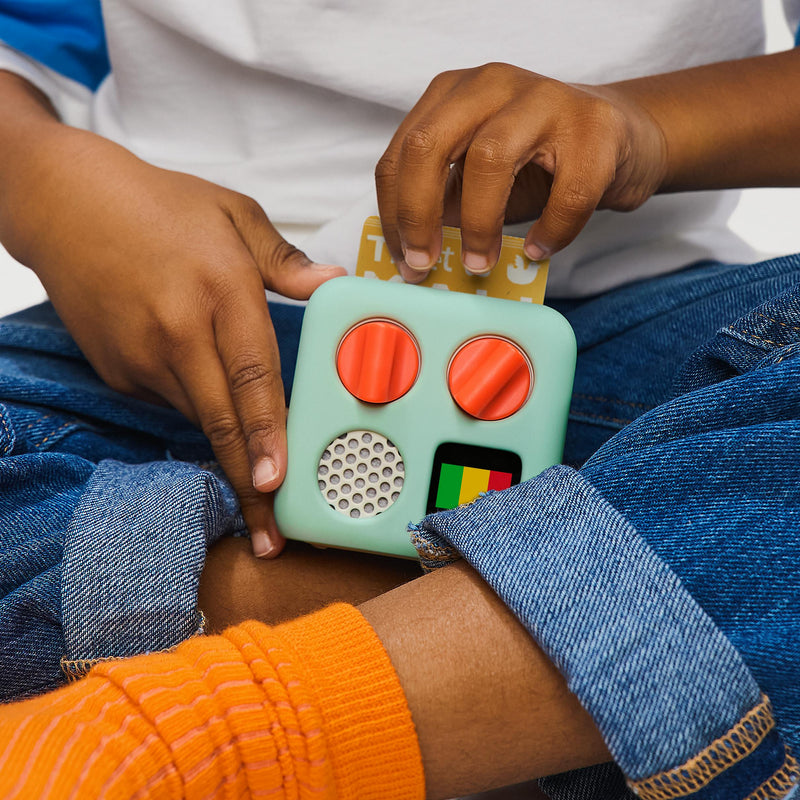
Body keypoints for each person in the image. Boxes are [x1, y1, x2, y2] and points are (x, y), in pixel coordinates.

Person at [0, 1, 799, 798]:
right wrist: (44, 185)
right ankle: (577, 663)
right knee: (751, 542)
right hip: (176, 317)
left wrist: (650, 128)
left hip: (657, 337)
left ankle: (206, 726)